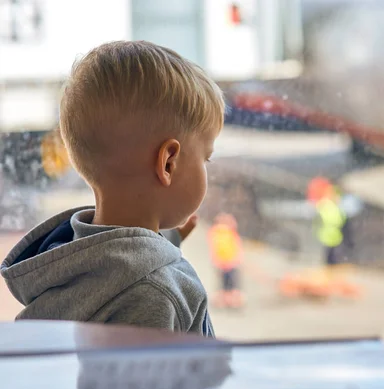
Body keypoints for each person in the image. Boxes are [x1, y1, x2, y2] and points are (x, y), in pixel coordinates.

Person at [0, 41, 225, 336]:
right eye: (205, 157)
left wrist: (162, 244)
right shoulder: (153, 294)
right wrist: (162, 259)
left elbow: (121, 257)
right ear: (168, 162)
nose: (206, 167)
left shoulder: (70, 266)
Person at [207, 213, 244, 309]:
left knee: (226, 284)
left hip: (227, 263)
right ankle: (229, 301)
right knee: (230, 284)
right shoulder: (224, 233)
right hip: (228, 263)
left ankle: (227, 301)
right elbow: (230, 248)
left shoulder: (218, 232)